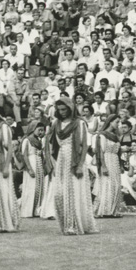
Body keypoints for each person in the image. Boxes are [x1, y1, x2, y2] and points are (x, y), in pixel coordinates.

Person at [45, 98, 97, 235]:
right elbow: (53, 145)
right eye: (59, 110)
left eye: (64, 109)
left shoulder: (79, 123)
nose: (62, 112)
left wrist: (80, 165)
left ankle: (75, 224)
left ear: (70, 108)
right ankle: (67, 223)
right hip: (62, 159)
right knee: (60, 193)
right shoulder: (56, 123)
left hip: (75, 159)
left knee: (74, 193)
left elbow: (84, 145)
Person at [93, 115, 123, 218]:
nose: (118, 124)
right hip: (106, 159)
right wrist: (103, 166)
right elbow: (100, 151)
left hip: (115, 160)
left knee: (115, 184)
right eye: (116, 122)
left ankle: (113, 210)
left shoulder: (115, 136)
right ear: (110, 122)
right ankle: (105, 209)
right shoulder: (102, 135)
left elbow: (119, 152)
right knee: (107, 183)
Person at [18, 120, 48, 218]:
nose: (40, 132)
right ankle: (27, 210)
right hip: (31, 163)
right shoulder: (27, 140)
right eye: (39, 130)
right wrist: (29, 169)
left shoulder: (39, 141)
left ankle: (36, 209)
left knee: (39, 187)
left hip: (39, 163)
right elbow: (24, 155)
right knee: (31, 187)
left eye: (42, 130)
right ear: (32, 129)